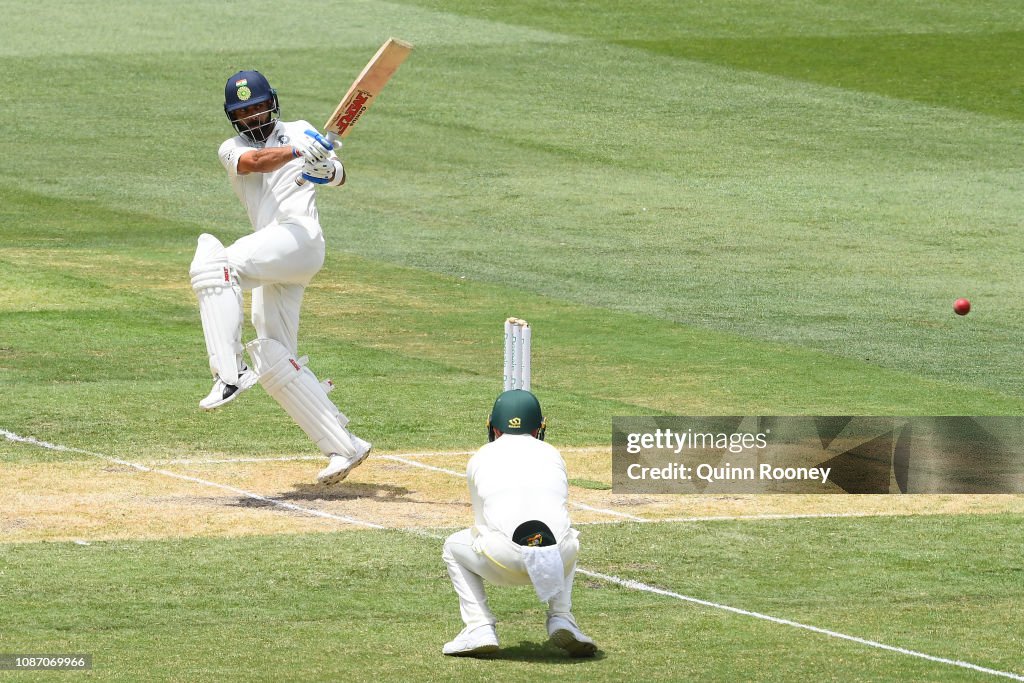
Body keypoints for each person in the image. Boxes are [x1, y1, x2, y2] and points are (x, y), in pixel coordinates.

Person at [188, 69, 370, 485]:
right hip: (274, 252)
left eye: (257, 107)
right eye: (243, 112)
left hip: (299, 239)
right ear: (232, 117)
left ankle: (228, 375)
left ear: (273, 102)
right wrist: (294, 153)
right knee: (275, 356)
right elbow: (254, 163)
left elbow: (337, 174)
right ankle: (344, 445)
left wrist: (326, 170)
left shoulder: (302, 130)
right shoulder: (231, 148)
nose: (252, 117)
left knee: (215, 266)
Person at [441, 390, 597, 657]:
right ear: (539, 427)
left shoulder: (481, 456)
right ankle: (561, 617)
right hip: (560, 557)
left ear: (494, 426)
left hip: (505, 559)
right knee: (565, 536)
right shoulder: (553, 453)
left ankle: (479, 627)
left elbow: (482, 522)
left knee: (453, 546)